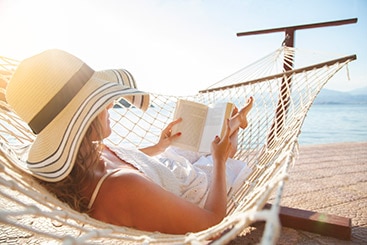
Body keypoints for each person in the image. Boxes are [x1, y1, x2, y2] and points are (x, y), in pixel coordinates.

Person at [6, 49, 253, 234]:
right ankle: (234, 126)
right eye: (101, 100)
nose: (112, 103)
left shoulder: (80, 157)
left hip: (163, 167)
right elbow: (212, 223)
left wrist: (159, 146)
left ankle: (231, 125)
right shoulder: (123, 187)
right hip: (192, 191)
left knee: (198, 144)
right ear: (81, 118)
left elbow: (125, 160)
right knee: (220, 154)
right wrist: (220, 162)